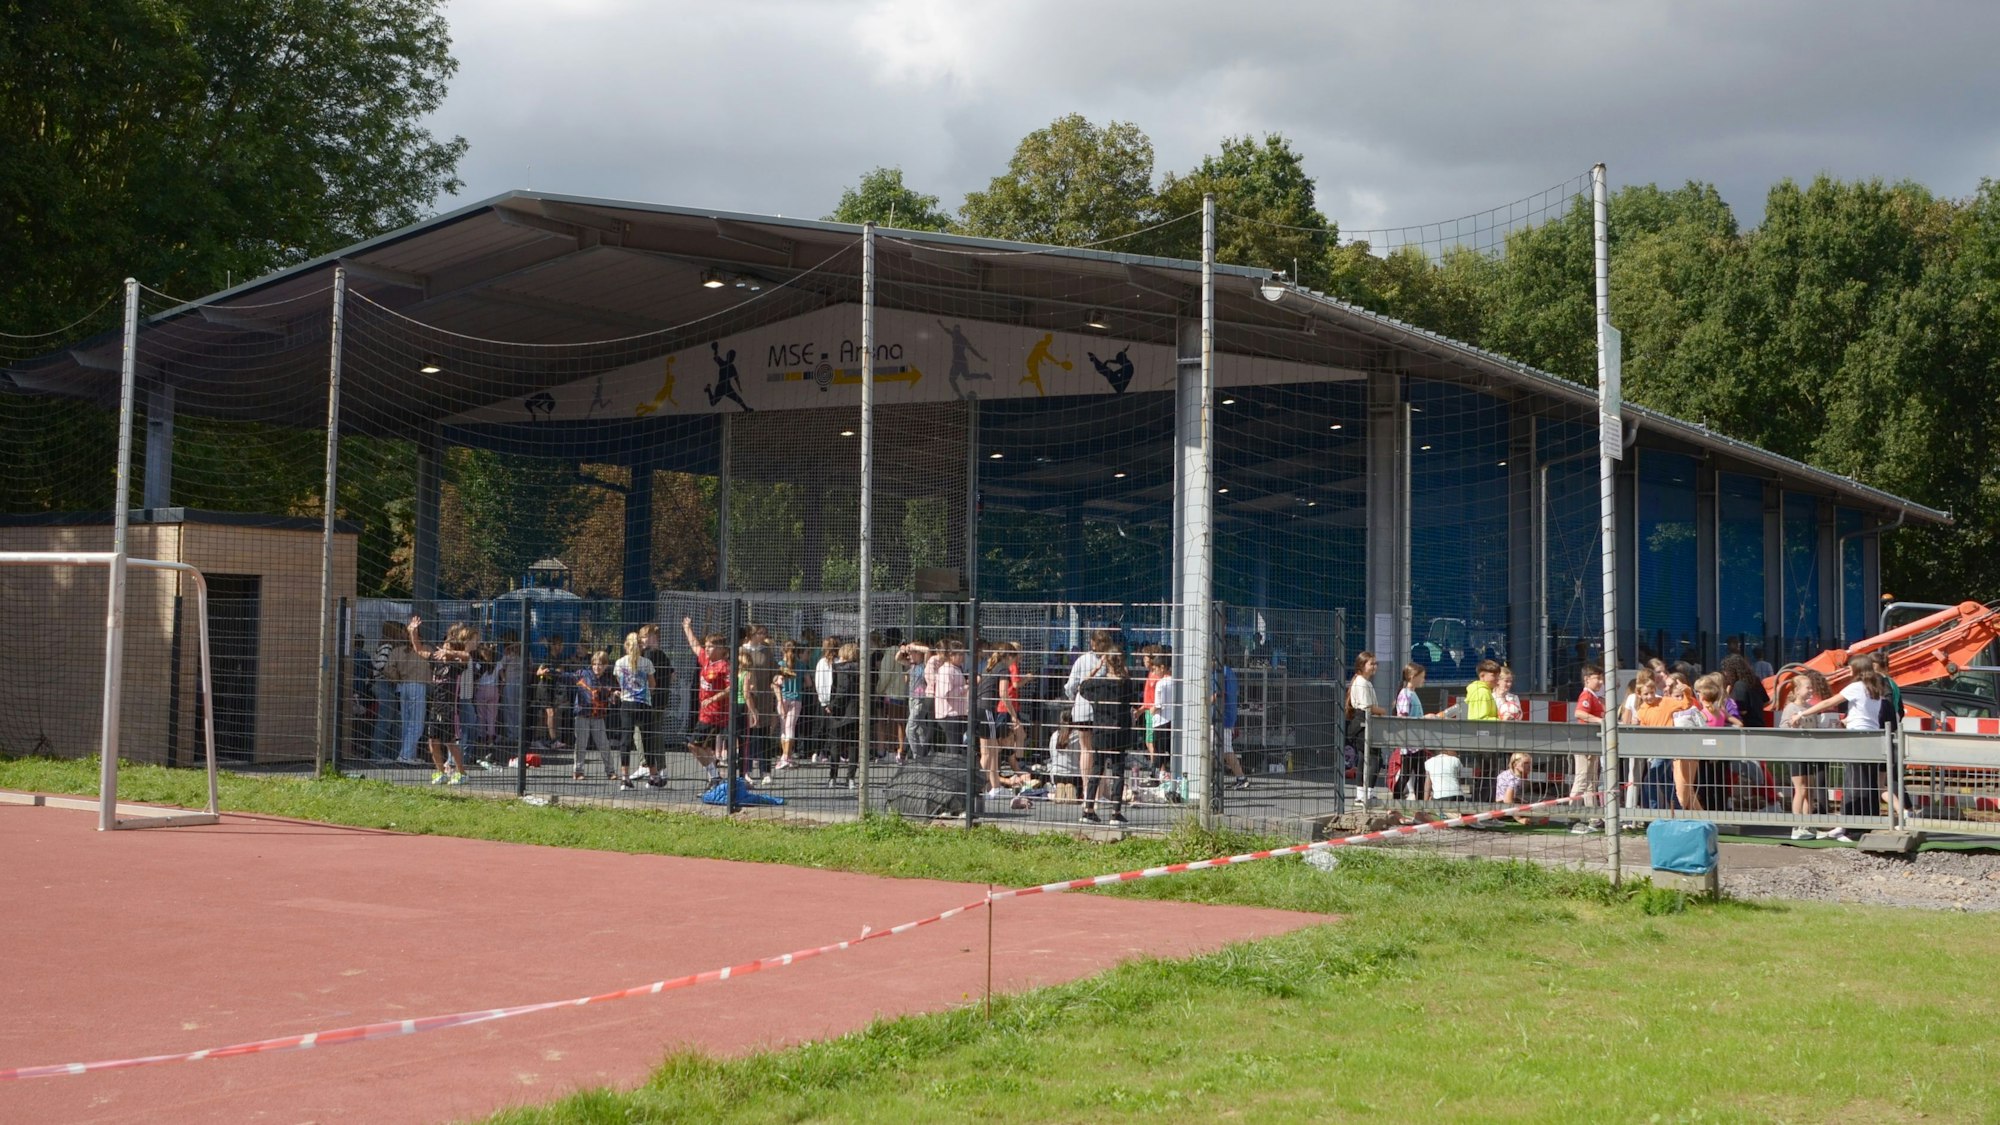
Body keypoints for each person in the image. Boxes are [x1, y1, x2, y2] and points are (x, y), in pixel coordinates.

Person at [1786, 653, 1896, 841]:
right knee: (1869, 784)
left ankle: (1854, 830)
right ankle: (1862, 826)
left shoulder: (1856, 687)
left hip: (1857, 740)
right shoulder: (1874, 688)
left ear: (1857, 669)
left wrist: (1801, 715)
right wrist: (1848, 720)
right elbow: (1865, 714)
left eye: (1850, 668)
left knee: (1854, 784)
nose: (1848, 671)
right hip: (1872, 738)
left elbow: (1829, 702)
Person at [1075, 649, 1137, 826]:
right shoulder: (1125, 684)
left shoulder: (1098, 684)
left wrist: (1096, 668)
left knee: (1097, 769)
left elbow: (1082, 687)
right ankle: (1116, 813)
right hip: (1119, 732)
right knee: (1118, 772)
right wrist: (1124, 672)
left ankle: (1088, 810)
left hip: (1101, 731)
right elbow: (1134, 699)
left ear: (1106, 663)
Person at [405, 615, 468, 784]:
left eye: (446, 647)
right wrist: (413, 632)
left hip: (450, 709)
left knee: (450, 742)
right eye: (443, 647)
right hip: (436, 707)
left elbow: (466, 656)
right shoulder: (436, 661)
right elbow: (418, 649)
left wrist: (450, 653)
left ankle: (462, 773)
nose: (441, 650)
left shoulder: (456, 665)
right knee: (432, 740)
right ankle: (440, 772)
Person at [1778, 669, 1840, 840]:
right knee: (1801, 788)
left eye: (1811, 687)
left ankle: (1808, 824)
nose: (1811, 690)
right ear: (1797, 690)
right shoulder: (1791, 708)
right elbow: (1783, 728)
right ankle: (1797, 826)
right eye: (1807, 687)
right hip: (1796, 752)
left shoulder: (1810, 708)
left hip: (1810, 752)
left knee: (1810, 789)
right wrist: (1793, 726)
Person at [682, 617, 731, 787]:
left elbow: (731, 688)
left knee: (693, 745)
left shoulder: (723, 666)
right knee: (704, 748)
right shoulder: (706, 660)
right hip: (704, 712)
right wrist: (687, 628)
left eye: (710, 646)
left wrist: (712, 698)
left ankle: (715, 776)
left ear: (721, 648)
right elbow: (695, 645)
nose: (707, 649)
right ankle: (714, 778)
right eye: (707, 646)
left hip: (715, 714)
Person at [572, 649, 625, 786]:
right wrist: (551, 672)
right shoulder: (583, 674)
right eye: (595, 664)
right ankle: (578, 771)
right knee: (581, 744)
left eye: (600, 664)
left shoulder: (607, 680)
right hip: (582, 714)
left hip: (598, 717)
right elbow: (567, 676)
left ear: (606, 665)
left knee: (604, 744)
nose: (597, 667)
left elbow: (610, 695)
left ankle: (610, 771)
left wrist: (614, 695)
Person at [614, 631, 657, 786]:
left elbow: (619, 682)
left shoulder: (619, 663)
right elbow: (653, 684)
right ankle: (653, 776)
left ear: (626, 646)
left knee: (626, 739)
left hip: (627, 703)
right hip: (644, 704)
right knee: (648, 739)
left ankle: (624, 777)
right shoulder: (647, 663)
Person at [1568, 664, 1608, 834]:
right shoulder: (1586, 695)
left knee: (1591, 782)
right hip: (1584, 743)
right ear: (1586, 679)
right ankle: (1572, 818)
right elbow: (1579, 713)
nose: (1601, 681)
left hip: (1592, 744)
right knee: (1582, 779)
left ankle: (1594, 817)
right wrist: (1600, 721)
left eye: (1601, 678)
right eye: (1597, 678)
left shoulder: (1595, 697)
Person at [385, 623, 430, 765]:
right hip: (418, 685)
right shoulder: (425, 649)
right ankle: (405, 755)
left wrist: (397, 678)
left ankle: (410, 754)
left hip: (403, 685)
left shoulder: (397, 651)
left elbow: (388, 668)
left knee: (406, 722)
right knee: (417, 723)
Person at [1346, 651, 1386, 796]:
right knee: (1375, 759)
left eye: (1376, 663)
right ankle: (1368, 793)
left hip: (1364, 722)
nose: (1375, 666)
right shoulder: (1362, 682)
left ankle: (1361, 793)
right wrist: (1382, 711)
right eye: (1371, 664)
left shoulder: (1364, 682)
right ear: (1362, 665)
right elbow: (1367, 707)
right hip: (1363, 722)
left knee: (1364, 758)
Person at [1389, 663, 1428, 802]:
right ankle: (1395, 802)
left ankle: (1419, 805)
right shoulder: (1405, 694)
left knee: (1420, 774)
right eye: (1421, 677)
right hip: (1409, 742)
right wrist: (1424, 718)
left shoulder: (1412, 693)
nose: (1424, 680)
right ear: (1412, 677)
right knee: (1406, 774)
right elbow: (1403, 718)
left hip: (1417, 741)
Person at [825, 641, 861, 788]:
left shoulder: (841, 669)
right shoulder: (861, 669)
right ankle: (851, 778)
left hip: (840, 712)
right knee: (853, 745)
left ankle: (833, 777)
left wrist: (832, 706)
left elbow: (842, 690)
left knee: (835, 745)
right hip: (855, 711)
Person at [932, 637, 971, 753]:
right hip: (949, 714)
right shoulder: (946, 670)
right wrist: (965, 688)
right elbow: (947, 694)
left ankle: (950, 764)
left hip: (956, 713)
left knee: (951, 748)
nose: (963, 657)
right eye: (960, 654)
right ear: (951, 655)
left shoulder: (956, 669)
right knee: (955, 748)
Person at [773, 638, 804, 771]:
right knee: (791, 728)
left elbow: (776, 683)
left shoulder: (780, 665)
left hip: (783, 698)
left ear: (783, 650)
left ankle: (784, 758)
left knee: (783, 728)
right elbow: (808, 682)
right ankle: (787, 757)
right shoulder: (801, 665)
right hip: (797, 698)